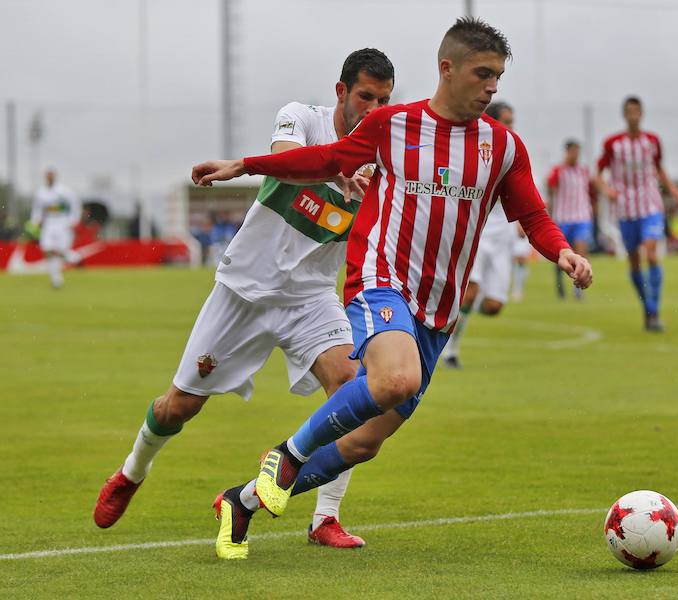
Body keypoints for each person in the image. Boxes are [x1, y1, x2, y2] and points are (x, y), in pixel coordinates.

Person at [192, 17, 592, 559]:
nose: (492, 87)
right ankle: (286, 454)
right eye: (483, 74)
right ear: (446, 69)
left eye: (498, 76)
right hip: (383, 279)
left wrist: (562, 251)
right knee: (395, 378)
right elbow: (325, 160)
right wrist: (245, 164)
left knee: (363, 441)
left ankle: (241, 502)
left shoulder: (503, 147)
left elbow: (533, 213)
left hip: (439, 308)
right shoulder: (392, 125)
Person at [93, 49, 395, 554]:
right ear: (341, 91)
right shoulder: (302, 118)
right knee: (178, 407)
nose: (373, 108)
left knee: (355, 392)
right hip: (246, 290)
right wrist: (335, 172)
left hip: (310, 298)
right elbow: (282, 154)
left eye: (384, 100)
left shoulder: (384, 156)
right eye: (366, 96)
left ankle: (325, 517)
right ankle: (130, 472)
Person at [596, 96, 678, 332]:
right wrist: (607, 190)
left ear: (642, 114)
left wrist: (673, 188)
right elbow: (597, 175)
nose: (633, 115)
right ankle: (648, 309)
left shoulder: (652, 141)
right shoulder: (612, 143)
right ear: (624, 115)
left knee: (651, 252)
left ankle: (654, 309)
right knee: (635, 262)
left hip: (650, 206)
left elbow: (658, 168)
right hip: (625, 209)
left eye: (637, 111)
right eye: (629, 111)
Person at [442, 100, 518, 369]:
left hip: (503, 238)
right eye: (507, 122)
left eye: (513, 122)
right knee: (470, 292)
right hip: (479, 234)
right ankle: (449, 350)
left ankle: (451, 314)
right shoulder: (479, 149)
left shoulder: (512, 151)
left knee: (494, 305)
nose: (511, 127)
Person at [546, 140, 596, 299]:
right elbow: (550, 188)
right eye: (573, 151)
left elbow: (591, 191)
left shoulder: (584, 171)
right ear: (567, 152)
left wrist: (593, 209)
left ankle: (578, 290)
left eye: (577, 152)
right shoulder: (558, 170)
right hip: (563, 217)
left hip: (582, 216)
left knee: (581, 251)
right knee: (560, 253)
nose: (576, 155)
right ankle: (559, 281)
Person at [30, 169, 82, 288]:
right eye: (47, 176)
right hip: (48, 224)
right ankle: (56, 280)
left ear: (54, 177)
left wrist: (74, 220)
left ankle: (74, 257)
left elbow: (75, 204)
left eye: (51, 176)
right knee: (47, 249)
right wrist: (35, 221)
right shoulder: (41, 192)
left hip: (63, 223)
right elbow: (37, 208)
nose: (49, 178)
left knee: (60, 250)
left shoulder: (64, 191)